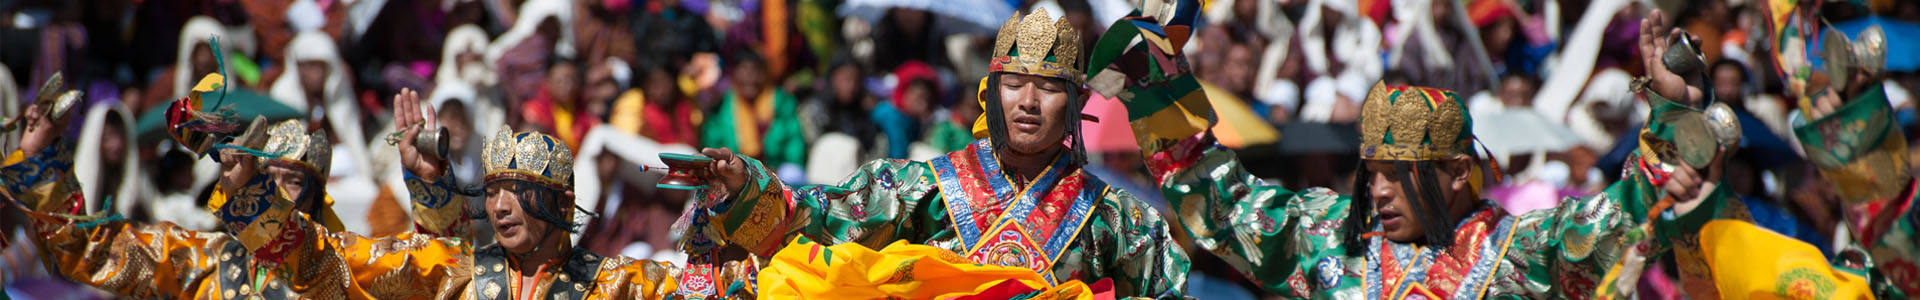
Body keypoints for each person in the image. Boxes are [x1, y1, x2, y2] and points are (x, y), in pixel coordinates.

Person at [1094, 7, 1735, 299]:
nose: (1376, 191)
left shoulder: (1527, 253)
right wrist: (1158, 89)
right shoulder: (1331, 246)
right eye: (1373, 175)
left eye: (1399, 177)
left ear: (1459, 173)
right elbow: (1226, 200)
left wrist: (1675, 113)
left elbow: (1623, 216)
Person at [695, 10, 1189, 299]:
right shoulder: (922, 187)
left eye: (1048, 88)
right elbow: (818, 218)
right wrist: (747, 187)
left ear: (1077, 102)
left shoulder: (1123, 222)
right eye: (1014, 84)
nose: (1029, 103)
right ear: (990, 94)